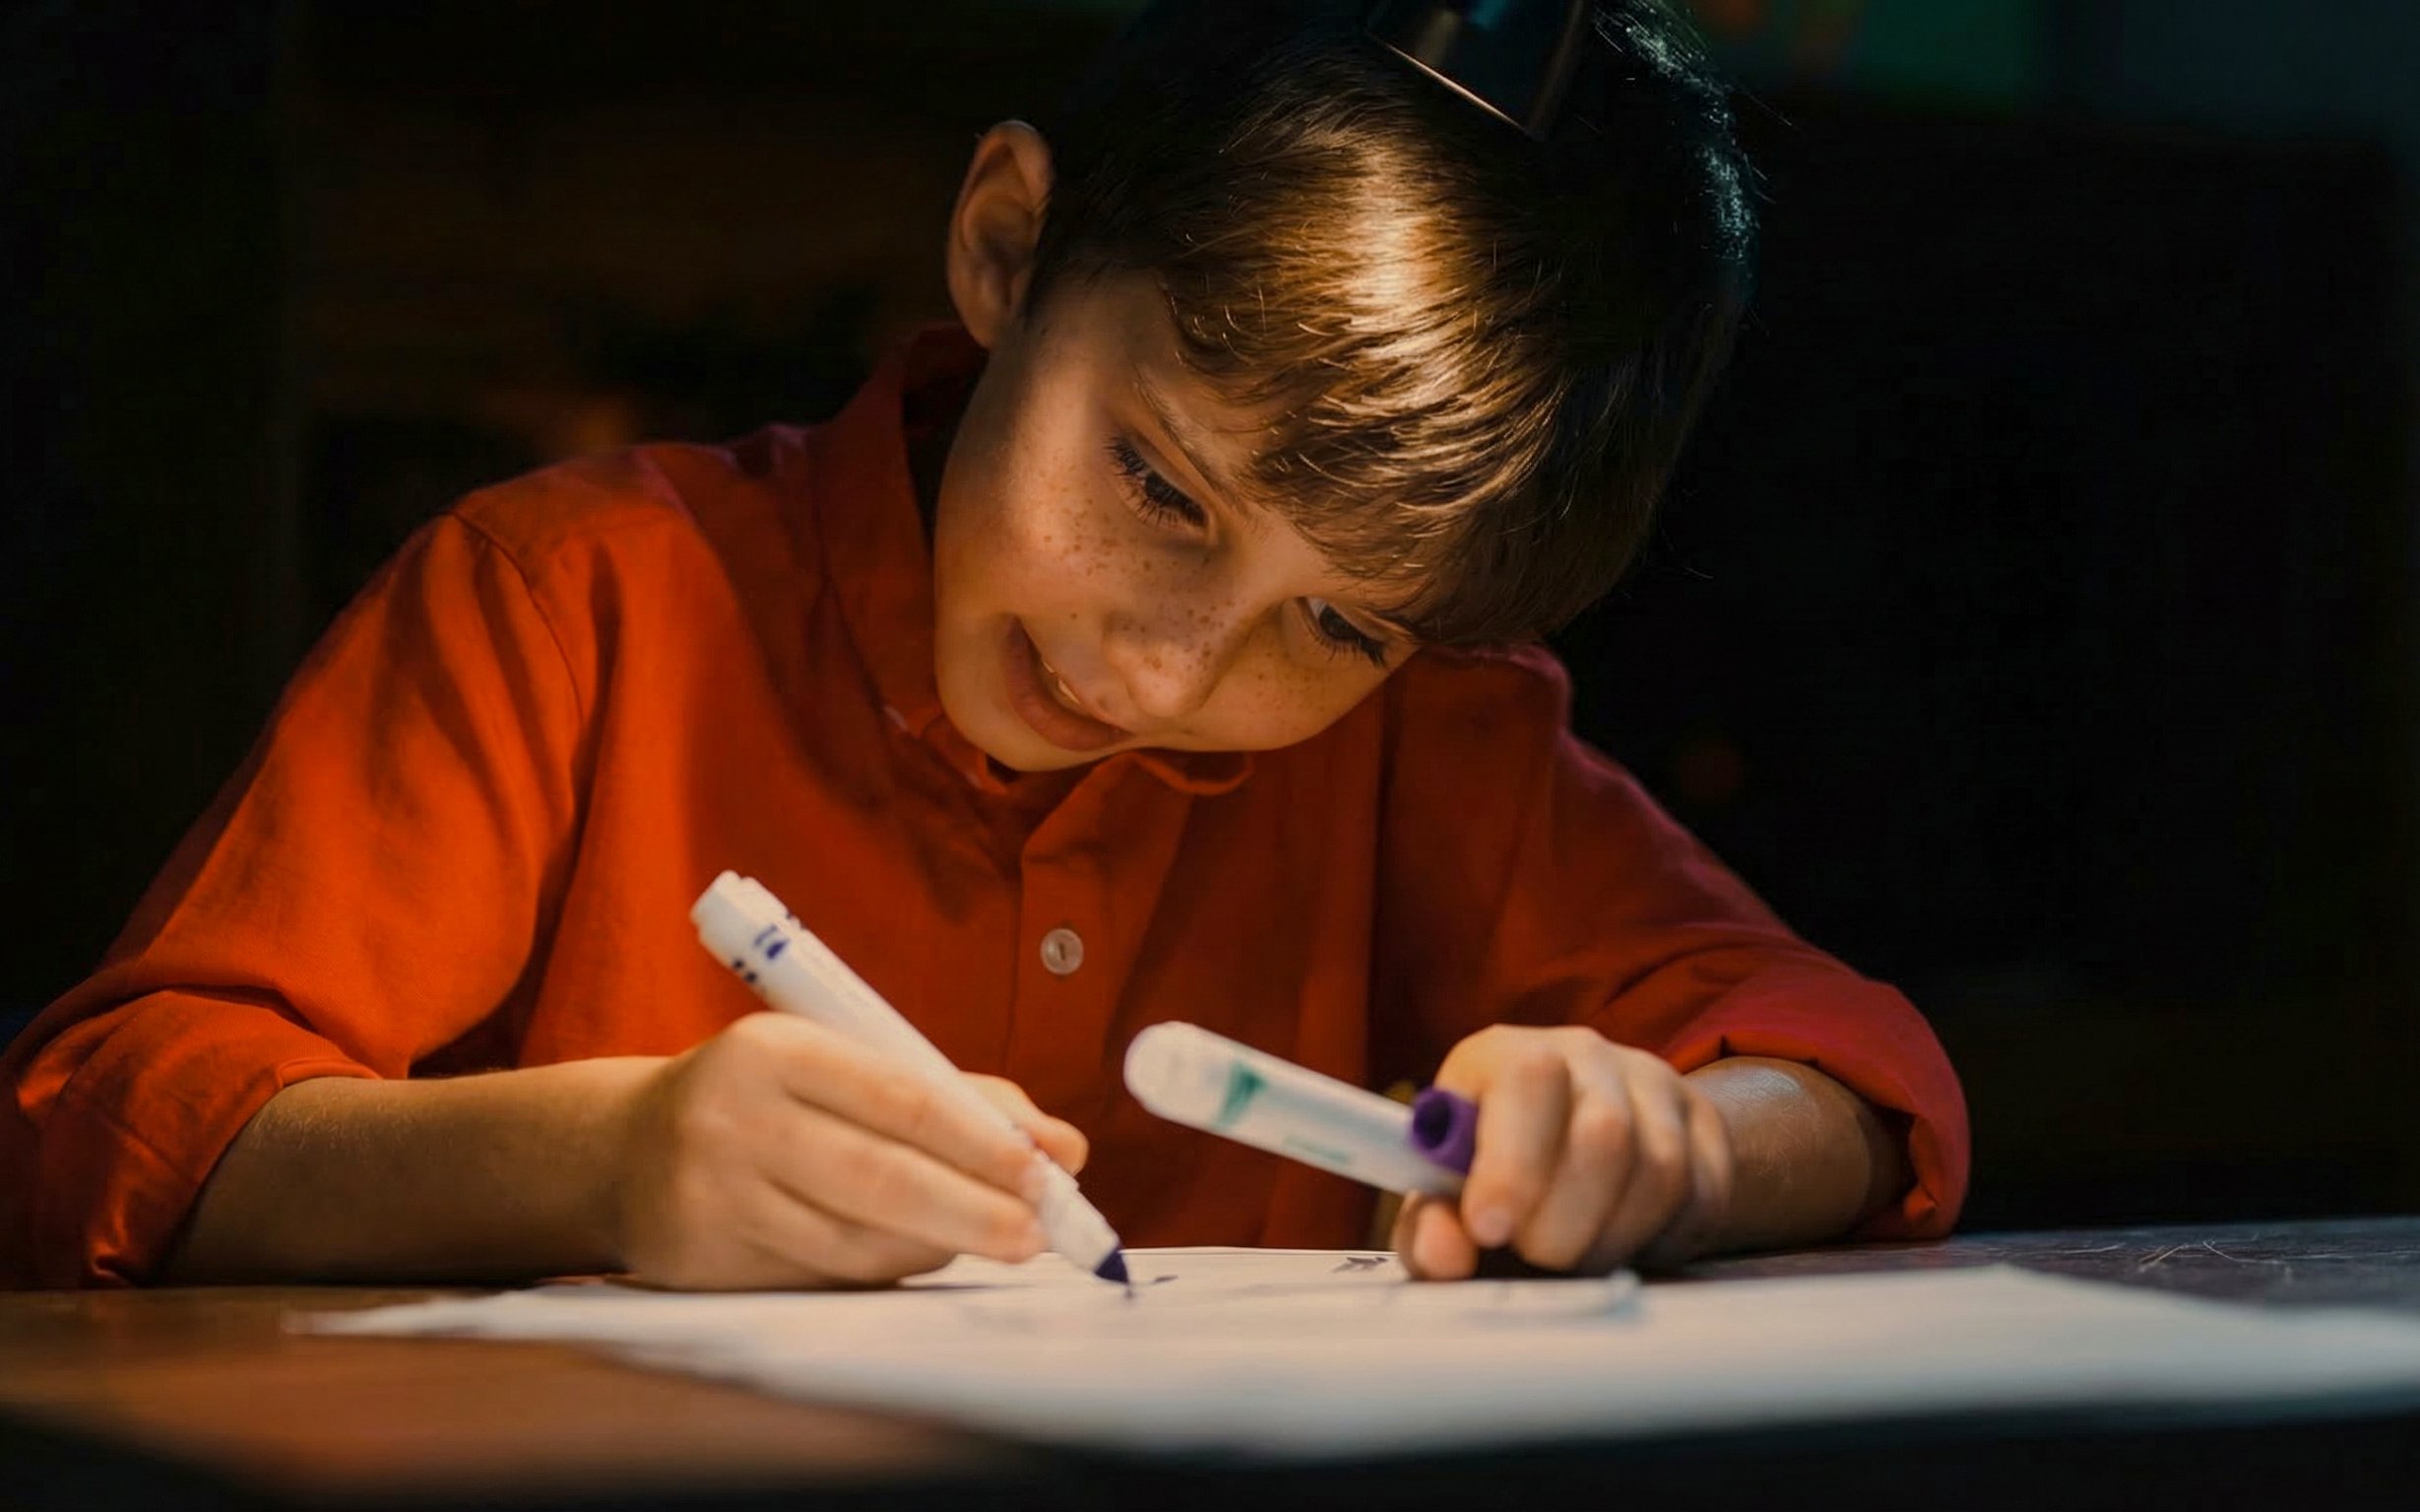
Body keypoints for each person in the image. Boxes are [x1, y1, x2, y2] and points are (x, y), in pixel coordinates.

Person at [0, 0, 1967, 1291]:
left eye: (1336, 616)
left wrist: (1672, 1150)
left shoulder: (1418, 735)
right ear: (1008, 250)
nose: (1173, 668)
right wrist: (597, 1167)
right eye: (1162, 487)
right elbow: (108, 1119)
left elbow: (1846, 1076)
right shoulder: (576, 604)